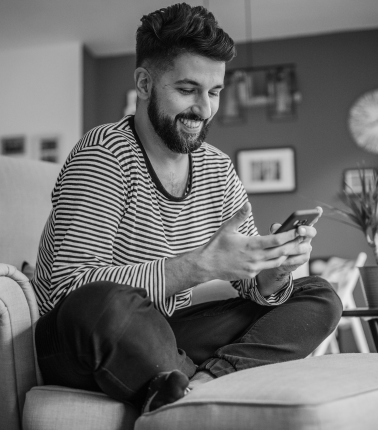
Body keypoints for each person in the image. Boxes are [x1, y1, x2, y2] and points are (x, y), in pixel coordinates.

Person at [32, 3, 342, 414]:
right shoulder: (103, 154)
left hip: (163, 332)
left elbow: (252, 285)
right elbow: (68, 290)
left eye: (214, 92)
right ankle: (187, 380)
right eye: (187, 90)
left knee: (318, 295)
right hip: (84, 335)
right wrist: (199, 266)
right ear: (144, 83)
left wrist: (273, 271)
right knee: (106, 304)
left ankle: (200, 381)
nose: (205, 108)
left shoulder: (216, 167)